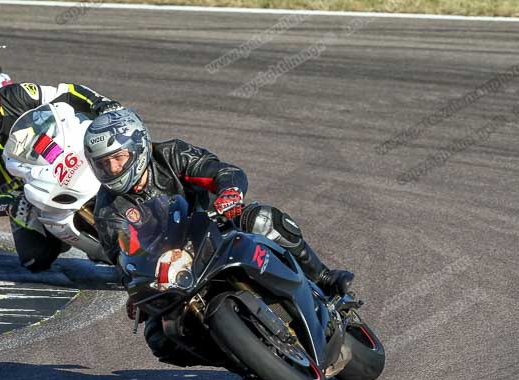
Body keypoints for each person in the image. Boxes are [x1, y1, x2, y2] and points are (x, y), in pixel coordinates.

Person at [84, 109, 354, 366]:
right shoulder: (108, 210)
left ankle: (323, 278)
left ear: (138, 147)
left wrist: (230, 192)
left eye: (118, 158)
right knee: (159, 336)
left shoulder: (170, 155)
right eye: (103, 164)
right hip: (174, 269)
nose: (113, 169)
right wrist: (138, 285)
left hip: (219, 230)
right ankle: (241, 359)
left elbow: (222, 171)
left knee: (262, 220)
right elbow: (122, 257)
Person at [0, 61, 122, 272]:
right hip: (29, 193)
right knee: (35, 260)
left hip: (65, 155)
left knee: (117, 146)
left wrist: (101, 104)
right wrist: (11, 204)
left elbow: (67, 93)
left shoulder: (17, 94)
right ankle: (68, 237)